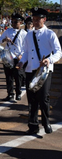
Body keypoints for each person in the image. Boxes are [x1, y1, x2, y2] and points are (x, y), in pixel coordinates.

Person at [16, 7, 62, 135]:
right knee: (32, 99)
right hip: (31, 69)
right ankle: (33, 124)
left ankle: (46, 122)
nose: (35, 22)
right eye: (34, 19)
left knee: (43, 97)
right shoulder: (29, 34)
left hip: (44, 71)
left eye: (38, 19)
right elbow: (25, 52)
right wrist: (21, 62)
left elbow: (58, 52)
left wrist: (50, 60)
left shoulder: (50, 34)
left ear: (44, 20)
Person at [0, 13, 27, 101]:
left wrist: (21, 55)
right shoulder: (8, 31)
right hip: (8, 57)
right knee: (9, 77)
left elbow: (26, 46)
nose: (13, 23)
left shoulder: (24, 33)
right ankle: (10, 94)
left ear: (20, 22)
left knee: (18, 76)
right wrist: (4, 39)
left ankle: (18, 93)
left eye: (16, 22)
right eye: (12, 22)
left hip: (17, 58)